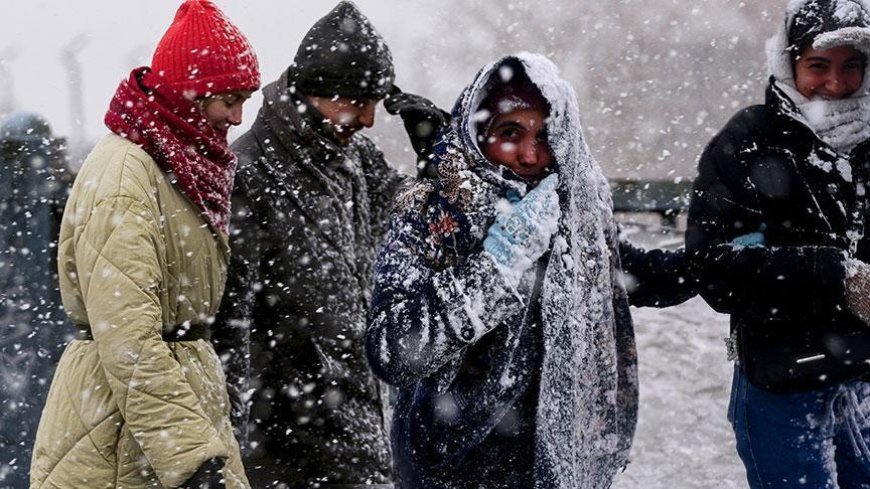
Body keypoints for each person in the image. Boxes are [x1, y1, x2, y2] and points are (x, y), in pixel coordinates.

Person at [365, 53, 696, 489]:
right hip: (451, 466)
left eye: (546, 135)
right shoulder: (429, 208)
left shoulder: (570, 205)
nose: (530, 155)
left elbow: (624, 274)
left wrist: (716, 260)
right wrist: (500, 262)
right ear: (476, 132)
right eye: (510, 133)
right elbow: (393, 350)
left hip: (554, 464)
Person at [211, 1, 447, 487]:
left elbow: (432, 223)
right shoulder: (249, 176)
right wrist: (224, 456)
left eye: (376, 103)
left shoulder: (357, 159)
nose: (368, 119)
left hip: (363, 437)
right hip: (286, 449)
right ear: (311, 93)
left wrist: (440, 159)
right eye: (356, 102)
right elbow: (227, 335)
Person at [29, 1, 260, 488]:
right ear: (190, 93)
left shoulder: (173, 166)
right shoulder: (126, 177)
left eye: (246, 98)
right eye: (229, 98)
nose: (238, 117)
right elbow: (128, 341)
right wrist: (194, 459)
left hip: (159, 419)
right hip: (119, 437)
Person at [687, 0, 870, 487]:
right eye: (818, 66)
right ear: (787, 63)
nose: (835, 83)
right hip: (781, 384)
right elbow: (715, 268)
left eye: (851, 66)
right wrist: (839, 275)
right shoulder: (748, 142)